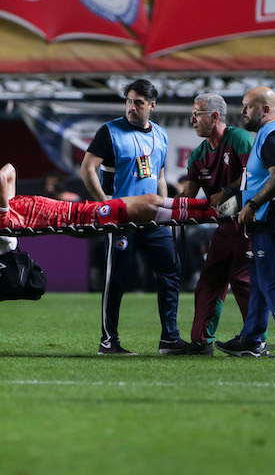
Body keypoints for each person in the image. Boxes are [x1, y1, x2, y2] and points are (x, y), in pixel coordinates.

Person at [80, 79, 188, 355]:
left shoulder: (161, 135)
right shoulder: (110, 131)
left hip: (152, 221)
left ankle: (170, 339)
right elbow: (87, 168)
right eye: (129, 100)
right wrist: (105, 207)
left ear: (152, 105)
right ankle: (109, 341)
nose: (132, 106)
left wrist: (165, 211)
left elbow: (160, 177)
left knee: (170, 274)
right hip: (121, 221)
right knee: (116, 279)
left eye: (138, 102)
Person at [215, 86, 275, 359]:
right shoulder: (274, 134)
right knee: (260, 282)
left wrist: (253, 204)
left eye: (248, 106)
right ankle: (251, 339)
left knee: (274, 283)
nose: (243, 112)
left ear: (266, 109)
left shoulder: (272, 135)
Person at [177, 93, 254, 356]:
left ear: (215, 116)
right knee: (208, 281)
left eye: (197, 114)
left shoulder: (241, 140)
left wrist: (228, 192)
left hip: (248, 223)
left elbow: (257, 177)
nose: (192, 120)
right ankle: (201, 342)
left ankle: (255, 340)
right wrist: (162, 206)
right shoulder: (199, 153)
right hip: (224, 227)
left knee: (243, 280)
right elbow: (187, 194)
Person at [0, 164, 217, 230]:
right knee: (149, 206)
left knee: (152, 199)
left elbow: (10, 169)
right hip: (83, 219)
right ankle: (214, 212)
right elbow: (1, 178)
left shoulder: (6, 207)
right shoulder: (0, 220)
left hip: (84, 211)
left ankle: (212, 207)